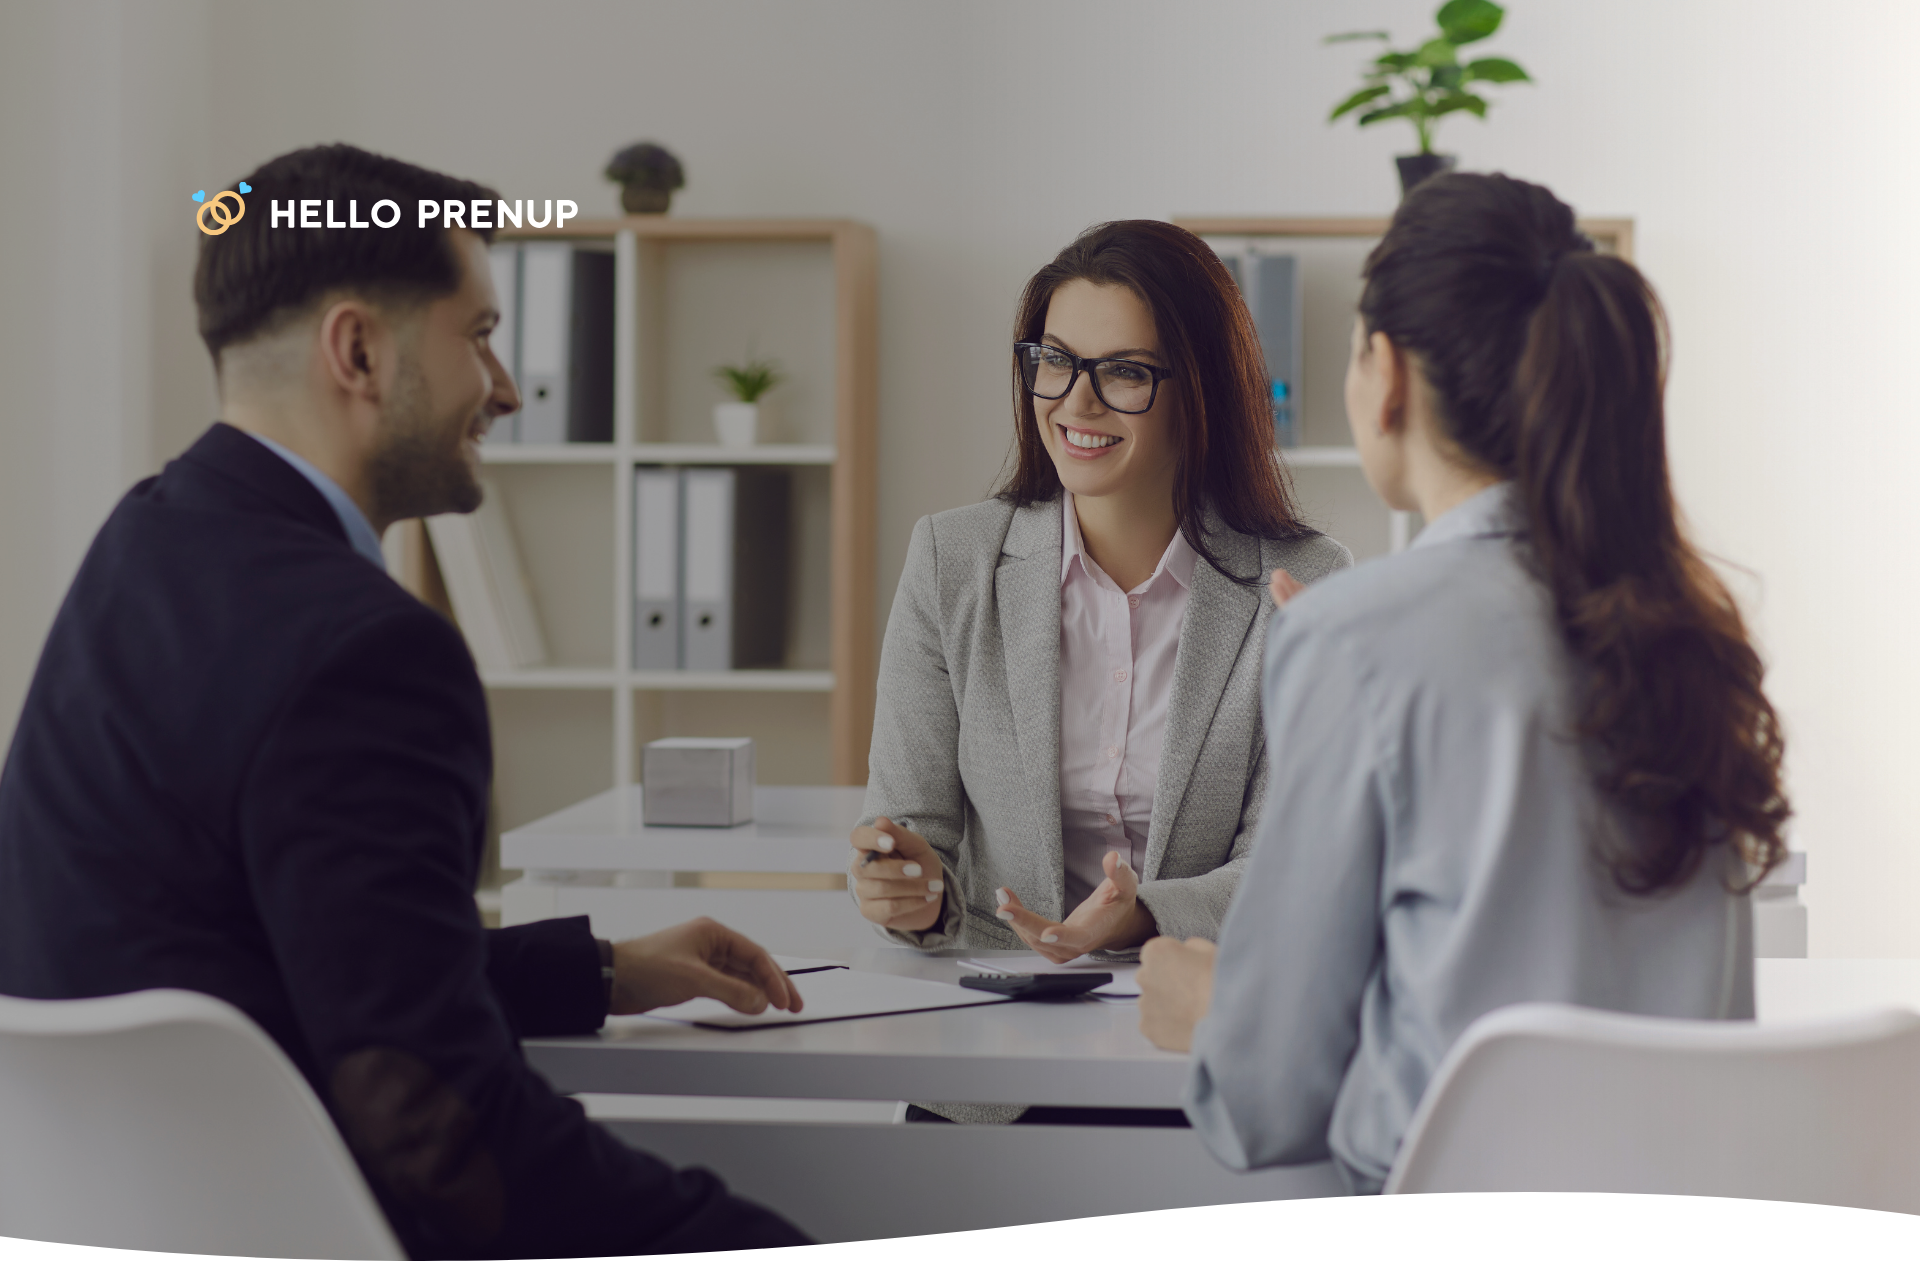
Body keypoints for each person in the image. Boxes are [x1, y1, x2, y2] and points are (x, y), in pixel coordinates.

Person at [0, 144, 810, 1258]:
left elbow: (291, 959)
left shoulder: (142, 544)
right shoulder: (370, 652)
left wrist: (606, 968)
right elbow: (442, 1133)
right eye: (479, 332)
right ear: (360, 348)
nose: (511, 387)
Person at [1135, 172, 1792, 1194]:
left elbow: (1265, 1106)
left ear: (1383, 372)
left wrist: (1210, 1010)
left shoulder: (1355, 639)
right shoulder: (1692, 632)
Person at [849, 219, 1351, 968]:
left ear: (1203, 388)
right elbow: (915, 836)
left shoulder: (1303, 582)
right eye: (1055, 361)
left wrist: (1142, 914)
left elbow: (1293, 860)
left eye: (1123, 371)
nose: (1075, 403)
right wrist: (911, 893)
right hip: (994, 1051)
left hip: (1197, 1032)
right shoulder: (951, 563)